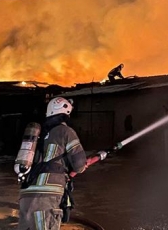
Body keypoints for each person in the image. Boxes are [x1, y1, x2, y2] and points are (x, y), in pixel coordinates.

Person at [18, 97, 105, 230]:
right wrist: (81, 165)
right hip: (46, 196)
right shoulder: (66, 131)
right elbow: (79, 165)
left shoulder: (40, 134)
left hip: (26, 194)